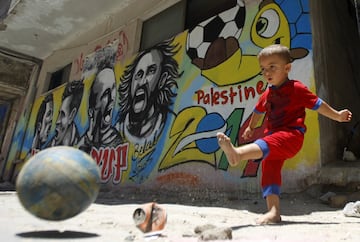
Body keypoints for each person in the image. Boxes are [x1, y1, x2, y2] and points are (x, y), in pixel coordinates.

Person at [217, 44, 352, 225]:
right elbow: (258, 112)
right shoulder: (267, 93)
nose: (267, 72)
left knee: (266, 143)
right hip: (273, 138)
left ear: (287, 68)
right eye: (263, 69)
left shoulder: (297, 89)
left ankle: (237, 154)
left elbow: (318, 104)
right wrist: (250, 128)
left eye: (272, 67)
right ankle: (273, 212)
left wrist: (337, 115)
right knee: (270, 172)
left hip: (291, 137)